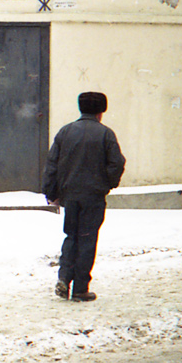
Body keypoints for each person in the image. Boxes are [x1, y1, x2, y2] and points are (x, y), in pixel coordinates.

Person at [42, 91, 126, 302]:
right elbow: (117, 163)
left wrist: (51, 192)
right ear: (102, 111)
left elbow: (52, 164)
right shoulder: (106, 134)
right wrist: (107, 183)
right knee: (87, 239)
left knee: (71, 236)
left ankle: (64, 277)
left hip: (70, 195)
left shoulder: (65, 132)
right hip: (93, 196)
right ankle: (80, 287)